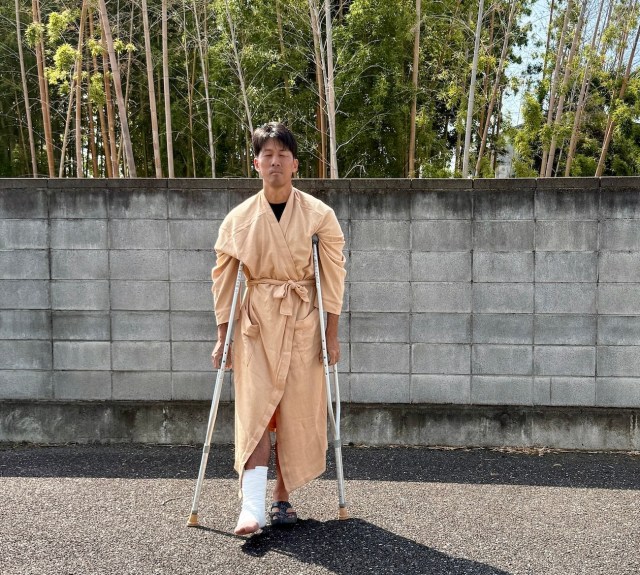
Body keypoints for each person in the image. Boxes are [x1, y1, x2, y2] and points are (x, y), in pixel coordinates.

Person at [211, 122, 346, 535]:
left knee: (295, 412)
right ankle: (250, 507)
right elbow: (224, 280)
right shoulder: (238, 220)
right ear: (256, 164)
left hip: (303, 321)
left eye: (282, 155)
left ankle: (282, 498)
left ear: (295, 164)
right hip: (256, 325)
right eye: (267, 155)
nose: (275, 162)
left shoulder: (319, 215)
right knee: (255, 409)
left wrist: (331, 333)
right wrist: (222, 337)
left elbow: (333, 276)